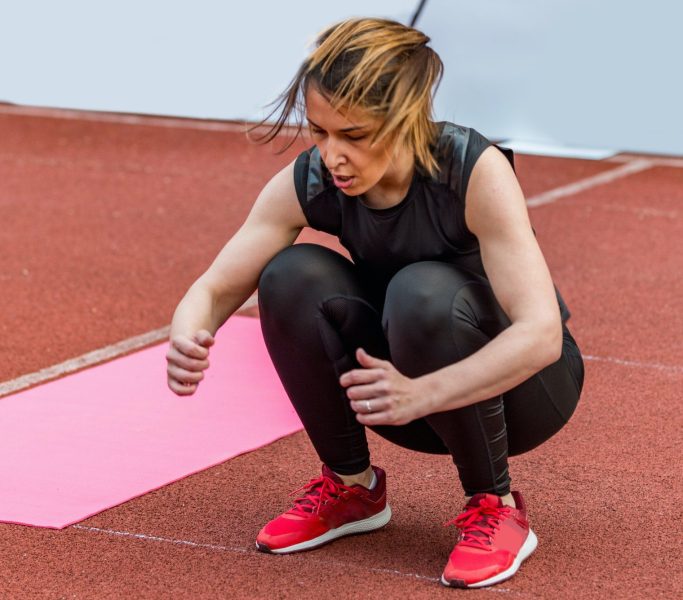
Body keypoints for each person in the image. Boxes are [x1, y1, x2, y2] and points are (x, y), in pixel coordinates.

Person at [165, 17, 584, 589]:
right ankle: (351, 488)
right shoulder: (313, 179)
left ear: (406, 119)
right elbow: (215, 286)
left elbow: (540, 336)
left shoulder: (472, 169)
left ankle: (496, 504)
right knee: (288, 274)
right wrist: (189, 331)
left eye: (354, 136)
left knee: (422, 289)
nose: (332, 154)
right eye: (319, 132)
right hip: (399, 392)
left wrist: (424, 391)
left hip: (524, 394)